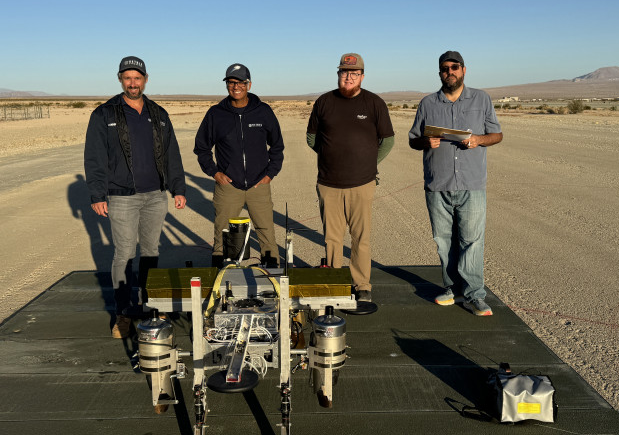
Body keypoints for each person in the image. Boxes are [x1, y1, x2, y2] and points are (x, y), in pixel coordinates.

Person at [84, 56, 187, 338]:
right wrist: (97, 194)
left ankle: (152, 305)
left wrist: (178, 187)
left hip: (155, 195)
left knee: (151, 251)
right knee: (125, 253)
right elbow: (94, 158)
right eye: (127, 78)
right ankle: (123, 314)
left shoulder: (158, 113)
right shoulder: (104, 114)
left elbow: (171, 153)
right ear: (120, 79)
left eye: (137, 78)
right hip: (121, 196)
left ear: (145, 79)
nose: (133, 83)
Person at [407, 50, 503, 316]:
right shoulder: (428, 104)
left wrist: (478, 140)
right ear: (439, 73)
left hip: (472, 183)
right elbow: (413, 139)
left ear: (463, 69)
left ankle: (474, 295)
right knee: (444, 240)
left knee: (472, 240)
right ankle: (451, 288)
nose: (449, 72)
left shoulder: (481, 99)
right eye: (444, 68)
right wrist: (425, 142)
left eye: (454, 67)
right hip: (438, 184)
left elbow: (497, 134)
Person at [306, 53, 394, 303]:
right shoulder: (324, 102)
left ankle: (362, 285)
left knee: (360, 237)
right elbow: (311, 138)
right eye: (343, 72)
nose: (348, 77)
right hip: (328, 184)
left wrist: (368, 163)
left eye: (353, 74)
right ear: (338, 75)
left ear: (362, 77)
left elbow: (387, 140)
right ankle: (334, 281)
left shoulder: (374, 103)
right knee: (332, 238)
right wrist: (331, 158)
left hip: (362, 183)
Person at [194, 63, 284, 267]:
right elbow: (202, 148)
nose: (236, 86)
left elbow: (277, 146)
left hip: (258, 185)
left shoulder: (263, 112)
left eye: (241, 82)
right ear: (227, 85)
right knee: (222, 235)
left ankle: (273, 276)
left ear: (249, 85)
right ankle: (221, 277)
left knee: (266, 232)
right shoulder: (216, 114)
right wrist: (215, 173)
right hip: (228, 187)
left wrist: (270, 173)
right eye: (231, 82)